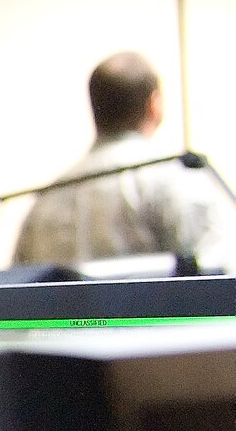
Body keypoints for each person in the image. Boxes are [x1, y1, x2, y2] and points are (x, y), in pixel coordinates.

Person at [13, 51, 233, 269]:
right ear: (154, 104)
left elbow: (20, 289)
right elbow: (215, 273)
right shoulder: (176, 178)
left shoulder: (46, 200)